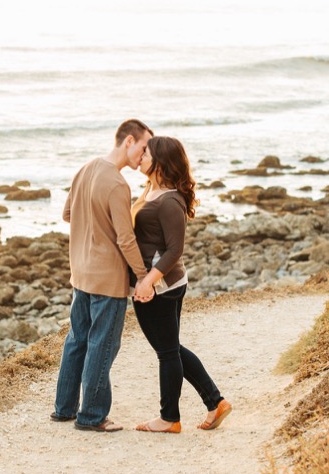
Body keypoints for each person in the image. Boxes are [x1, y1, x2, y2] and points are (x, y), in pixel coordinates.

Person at [52, 119, 154, 432]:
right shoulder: (118, 184)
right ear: (129, 141)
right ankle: (92, 415)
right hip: (108, 279)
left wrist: (92, 228)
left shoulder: (85, 169)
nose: (145, 154)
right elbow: (126, 238)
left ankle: (64, 408)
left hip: (80, 273)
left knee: (77, 340)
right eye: (144, 146)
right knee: (103, 344)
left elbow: (68, 214)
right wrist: (142, 275)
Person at [128, 135, 231, 434]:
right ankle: (215, 402)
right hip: (160, 283)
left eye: (147, 153)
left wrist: (147, 282)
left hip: (162, 286)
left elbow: (175, 250)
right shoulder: (151, 189)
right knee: (170, 348)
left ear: (160, 161)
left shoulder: (170, 199)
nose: (142, 156)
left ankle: (169, 417)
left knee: (167, 351)